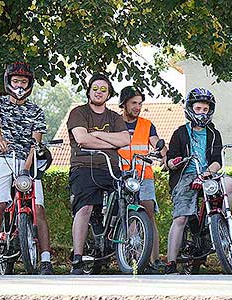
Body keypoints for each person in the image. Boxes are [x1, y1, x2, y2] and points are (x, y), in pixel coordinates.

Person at [164, 88, 232, 274]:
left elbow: (217, 161)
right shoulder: (180, 132)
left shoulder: (214, 133)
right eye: (198, 108)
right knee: (181, 217)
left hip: (207, 175)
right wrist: (174, 162)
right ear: (190, 109)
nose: (202, 112)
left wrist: (205, 174)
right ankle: (170, 261)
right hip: (185, 176)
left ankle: (222, 223)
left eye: (205, 109)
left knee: (227, 183)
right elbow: (170, 160)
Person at [67, 73, 130, 275]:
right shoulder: (79, 112)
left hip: (110, 168)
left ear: (109, 93)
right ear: (89, 91)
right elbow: (82, 139)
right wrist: (110, 144)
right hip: (84, 167)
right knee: (84, 208)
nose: (99, 92)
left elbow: (125, 140)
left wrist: (98, 134)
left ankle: (127, 252)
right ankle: (77, 258)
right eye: (95, 88)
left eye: (104, 89)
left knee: (127, 200)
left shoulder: (114, 117)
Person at [0, 62, 54, 275]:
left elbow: (36, 142)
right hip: (3, 159)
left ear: (29, 84)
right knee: (1, 203)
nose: (19, 85)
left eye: (23, 81)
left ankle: (46, 260)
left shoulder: (36, 110)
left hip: (27, 161)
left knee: (38, 207)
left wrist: (26, 168)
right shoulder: (1, 103)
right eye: (16, 81)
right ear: (8, 82)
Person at [117, 86, 167, 273]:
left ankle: (154, 260)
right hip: (120, 175)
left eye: (140, 103)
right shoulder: (113, 122)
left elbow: (157, 143)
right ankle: (128, 256)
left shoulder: (147, 124)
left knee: (148, 213)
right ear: (124, 104)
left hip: (143, 175)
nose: (138, 107)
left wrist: (164, 156)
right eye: (134, 103)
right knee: (119, 213)